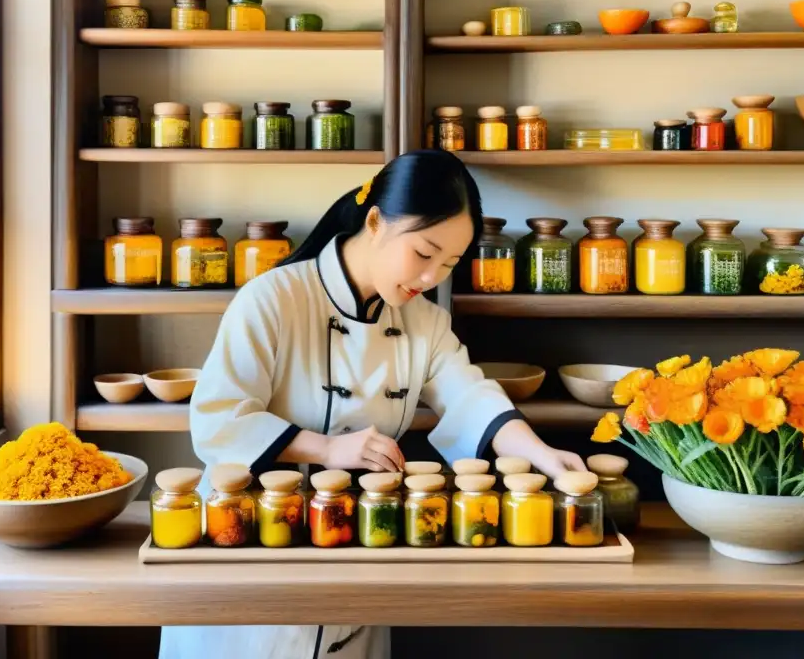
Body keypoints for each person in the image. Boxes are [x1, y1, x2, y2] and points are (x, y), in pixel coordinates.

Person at [159, 149, 585, 659]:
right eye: (424, 254)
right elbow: (219, 419)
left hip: (355, 543)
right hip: (249, 546)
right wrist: (329, 450)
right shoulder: (273, 298)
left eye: (448, 264)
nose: (431, 279)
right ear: (377, 221)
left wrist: (543, 455)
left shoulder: (424, 322)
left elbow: (468, 394)